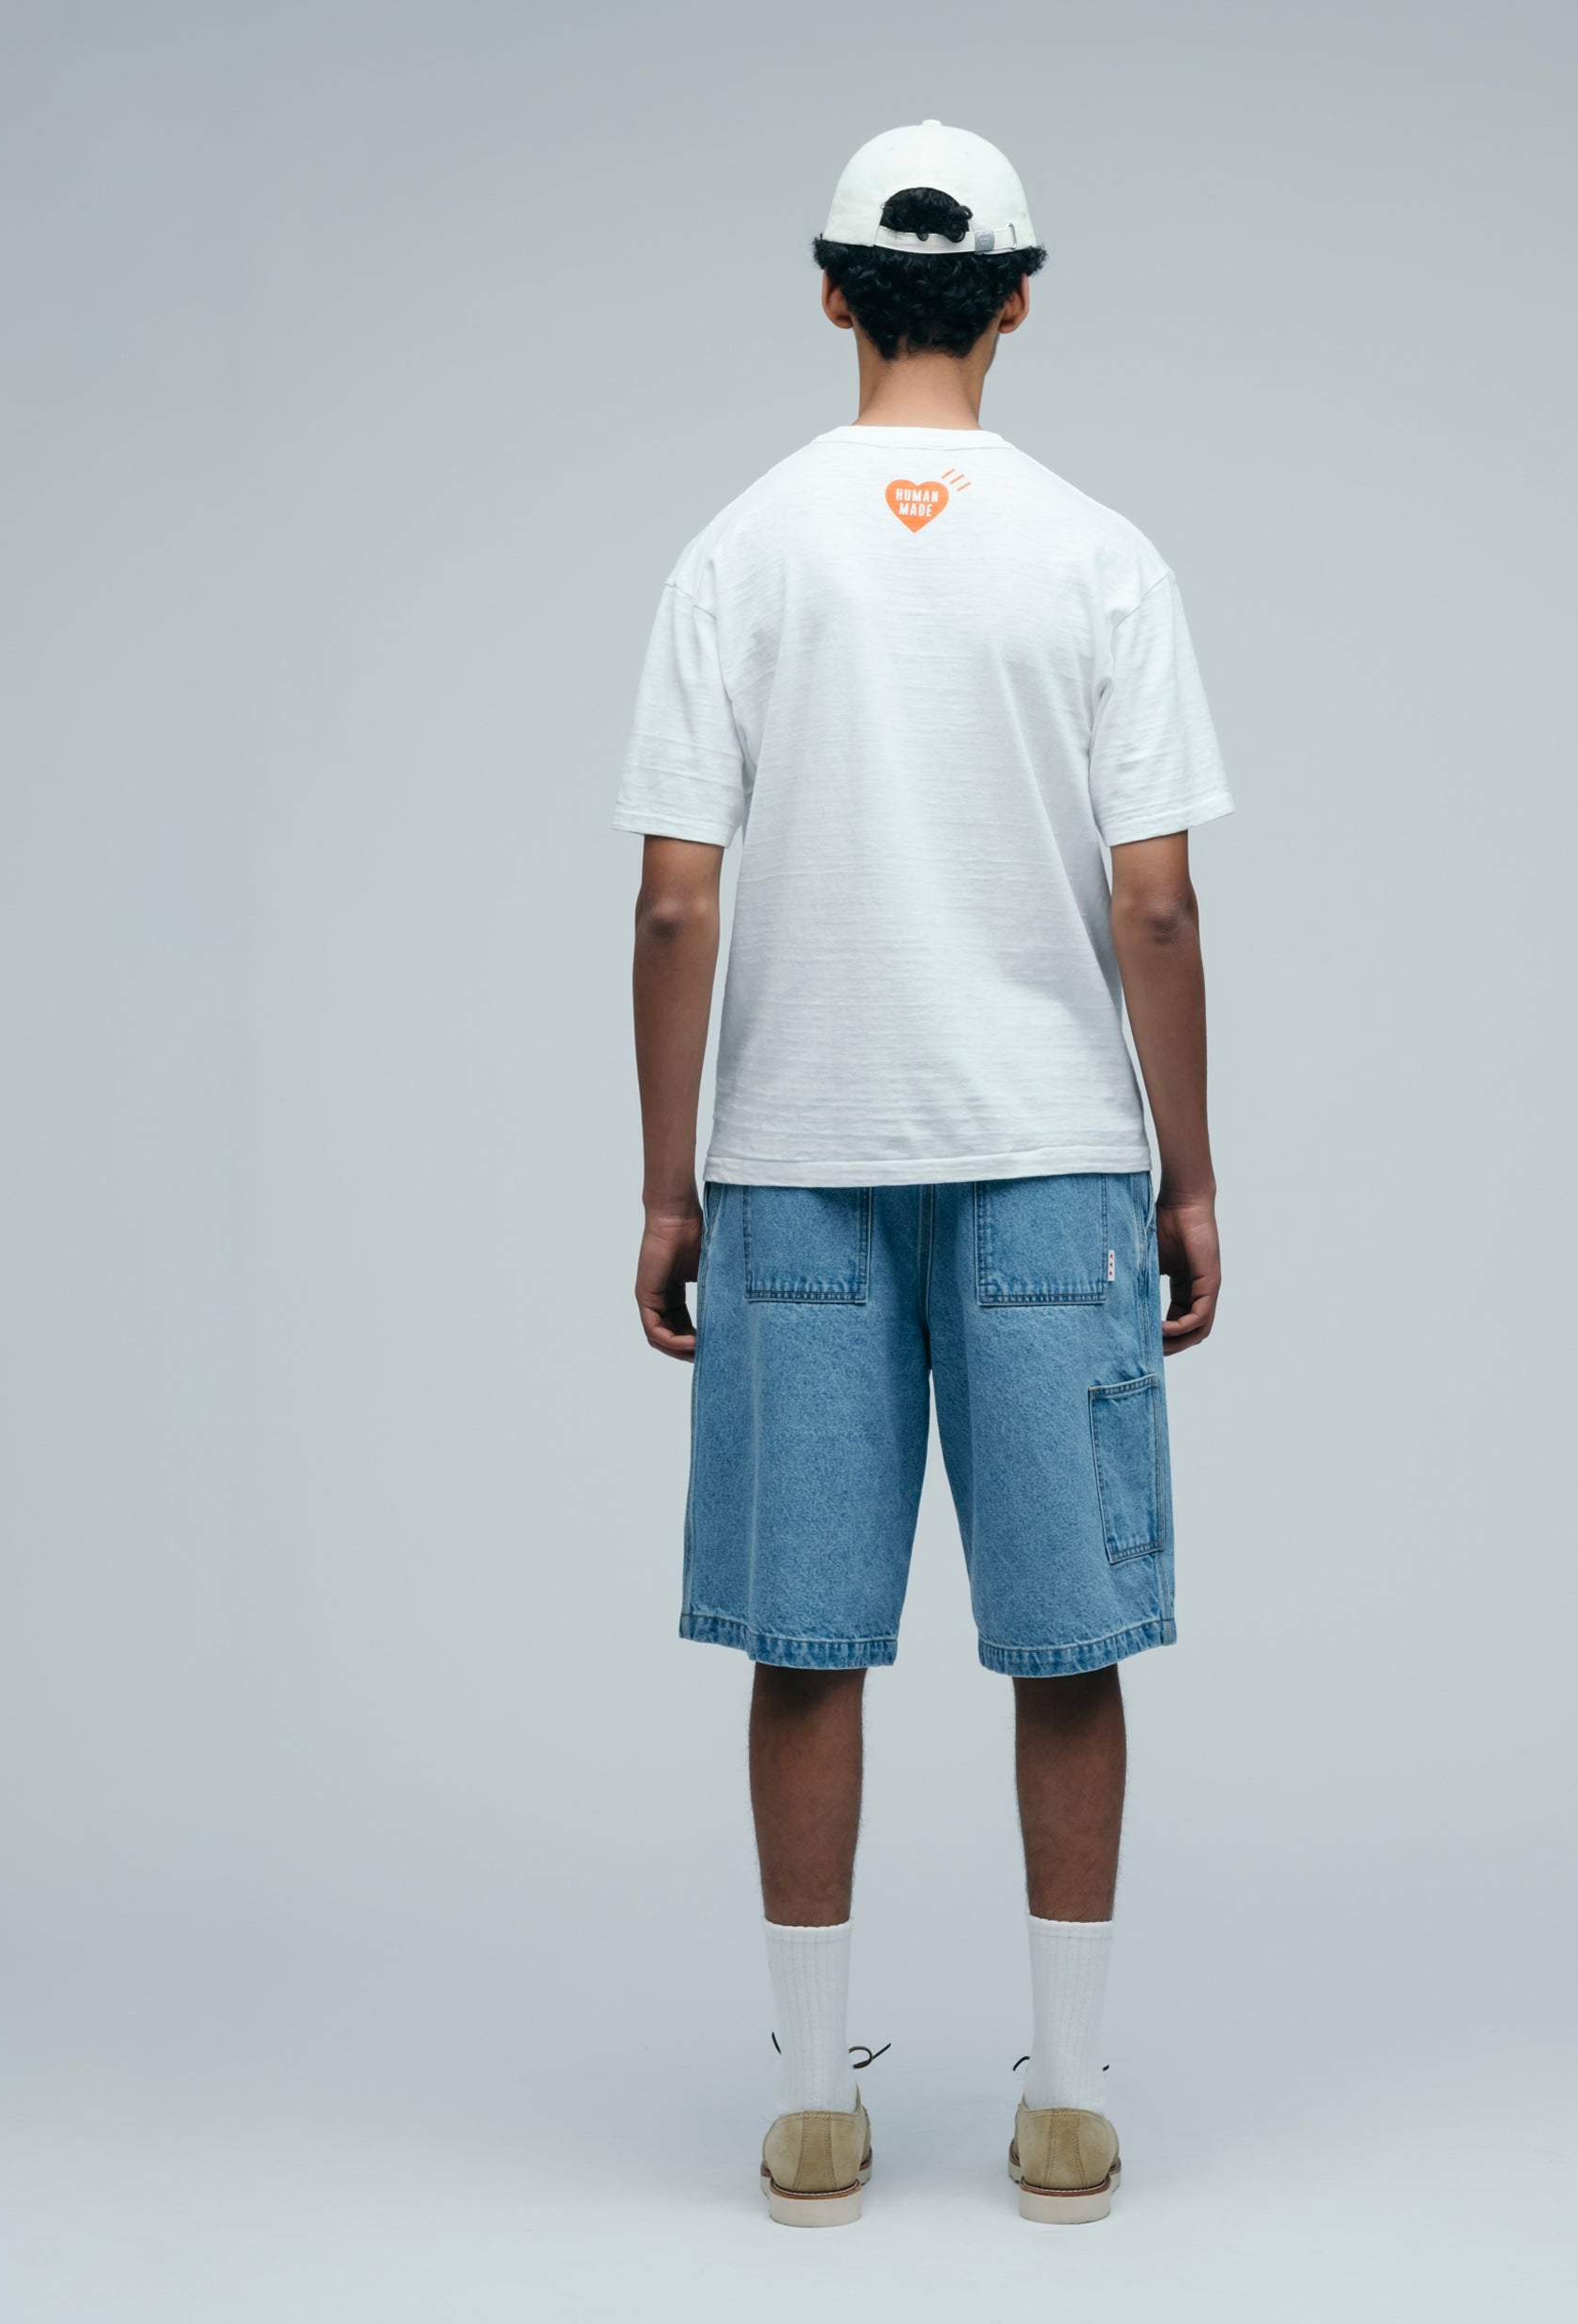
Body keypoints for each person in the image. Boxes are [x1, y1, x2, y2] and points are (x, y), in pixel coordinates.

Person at [616, 119, 1230, 2227]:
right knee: (1068, 1639)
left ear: (828, 292)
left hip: (794, 1159)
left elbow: (675, 900)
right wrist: (1190, 1174)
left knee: (808, 1637)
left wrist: (668, 1186)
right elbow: (1155, 902)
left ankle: (810, 2105)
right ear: (1019, 301)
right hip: (1053, 1155)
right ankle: (1064, 2100)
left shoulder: (738, 551)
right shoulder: (1099, 556)